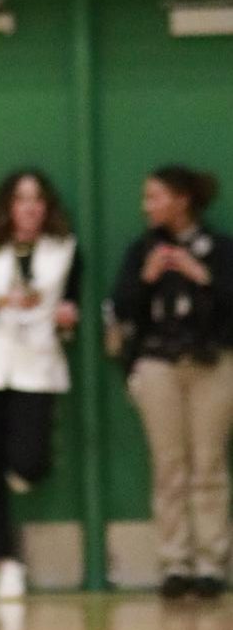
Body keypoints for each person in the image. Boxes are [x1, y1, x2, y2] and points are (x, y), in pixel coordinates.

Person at [0, 170, 81, 602]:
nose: (30, 207)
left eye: (38, 199)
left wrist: (68, 313)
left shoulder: (65, 251)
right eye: (21, 199)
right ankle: (5, 561)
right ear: (8, 207)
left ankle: (22, 471)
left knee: (31, 459)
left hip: (38, 363)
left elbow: (72, 301)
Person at [111, 167, 233, 600]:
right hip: (158, 363)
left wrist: (202, 276)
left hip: (211, 364)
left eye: (155, 197)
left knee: (208, 464)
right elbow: (123, 307)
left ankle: (211, 564)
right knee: (169, 467)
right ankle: (174, 562)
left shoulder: (219, 249)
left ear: (182, 200)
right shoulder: (141, 250)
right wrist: (146, 278)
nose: (148, 206)